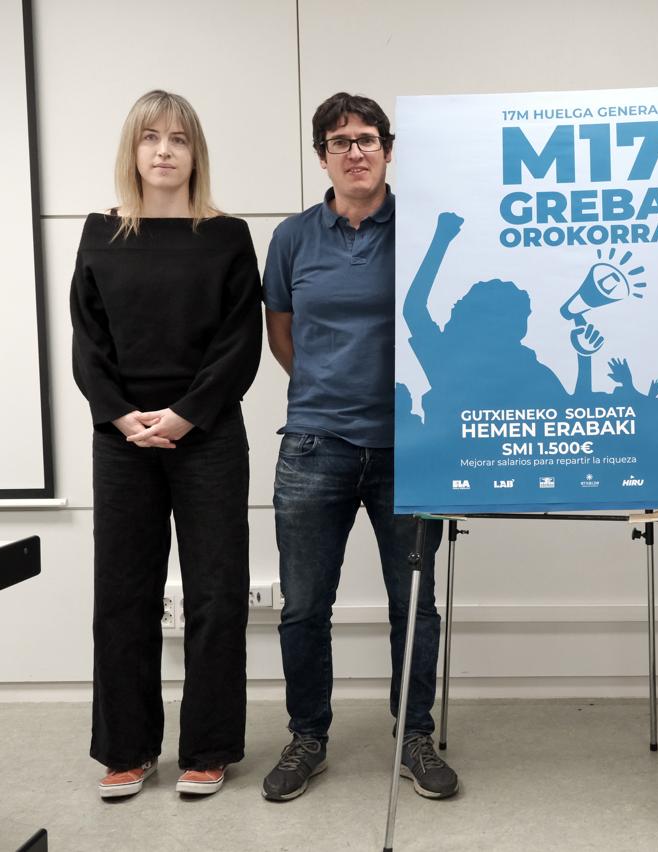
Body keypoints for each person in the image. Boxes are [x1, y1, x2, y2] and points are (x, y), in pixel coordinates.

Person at [260, 92, 458, 802]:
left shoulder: (424, 227)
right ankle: (307, 736)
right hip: (315, 447)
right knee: (304, 606)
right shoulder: (292, 238)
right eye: (339, 141)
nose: (355, 152)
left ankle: (415, 736)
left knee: (415, 604)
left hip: (411, 447)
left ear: (388, 150)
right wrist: (326, 387)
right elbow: (282, 334)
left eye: (367, 139)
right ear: (322, 156)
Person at [70, 89, 262, 799]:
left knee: (217, 595)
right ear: (133, 149)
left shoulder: (227, 236)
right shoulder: (100, 233)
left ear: (195, 153)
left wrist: (184, 415)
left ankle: (208, 749)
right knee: (123, 595)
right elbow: (87, 342)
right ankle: (127, 750)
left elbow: (239, 342)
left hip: (207, 437)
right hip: (122, 441)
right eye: (150, 137)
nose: (163, 150)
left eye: (178, 139)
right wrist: (123, 417)